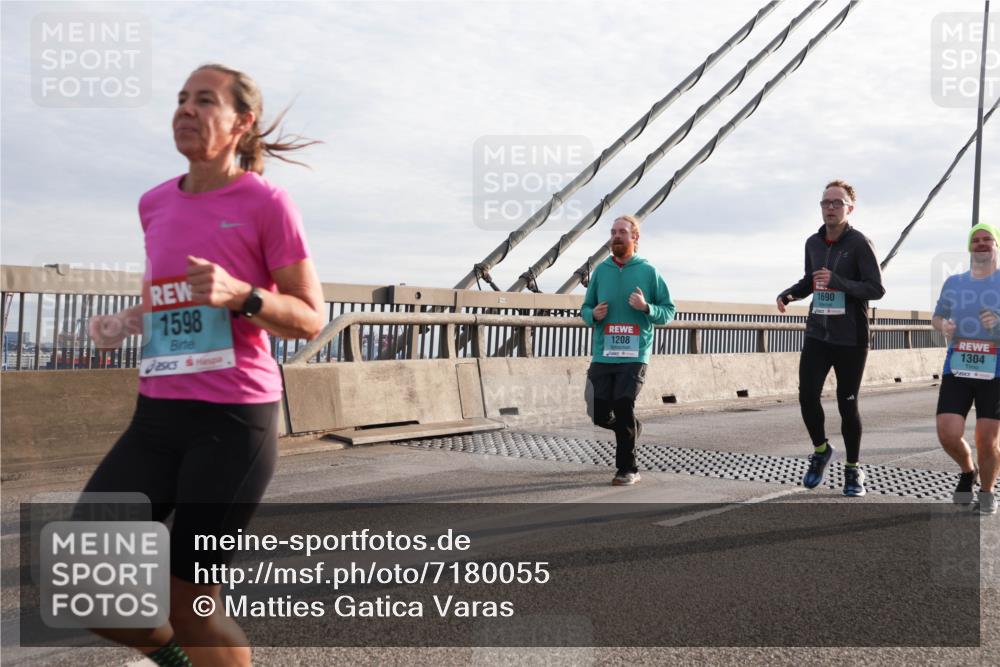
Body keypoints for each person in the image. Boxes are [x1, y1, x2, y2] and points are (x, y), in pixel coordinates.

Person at [85, 64, 324, 666]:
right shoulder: (154, 203)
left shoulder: (267, 203)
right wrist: (126, 321)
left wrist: (242, 294)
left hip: (234, 420)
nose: (186, 110)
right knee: (88, 583)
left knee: (190, 599)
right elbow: (173, 298)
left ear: (241, 123)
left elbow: (309, 316)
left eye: (204, 100)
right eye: (181, 99)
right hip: (156, 415)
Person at [776, 180, 885, 496]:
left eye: (837, 202)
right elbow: (811, 280)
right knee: (807, 395)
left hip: (851, 338)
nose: (830, 207)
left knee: (847, 404)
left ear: (850, 208)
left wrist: (839, 281)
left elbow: (875, 289)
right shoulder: (813, 243)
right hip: (818, 334)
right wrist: (791, 293)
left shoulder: (860, 244)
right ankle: (821, 450)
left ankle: (853, 470)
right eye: (825, 202)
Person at [581, 215, 676, 486]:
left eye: (622, 232)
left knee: (623, 404)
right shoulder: (601, 271)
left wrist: (646, 307)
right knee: (599, 414)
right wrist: (594, 315)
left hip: (635, 353)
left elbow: (668, 311)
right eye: (613, 232)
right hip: (604, 353)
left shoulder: (648, 272)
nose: (616, 236)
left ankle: (628, 468)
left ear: (635, 238)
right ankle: (631, 428)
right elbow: (585, 309)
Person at [932, 222, 1000, 515]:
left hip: (996, 372)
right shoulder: (955, 282)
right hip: (958, 366)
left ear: (996, 246)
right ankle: (967, 469)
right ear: (970, 247)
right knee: (947, 432)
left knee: (986, 439)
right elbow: (937, 317)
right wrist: (944, 325)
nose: (982, 243)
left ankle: (987, 492)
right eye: (976, 240)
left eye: (988, 239)